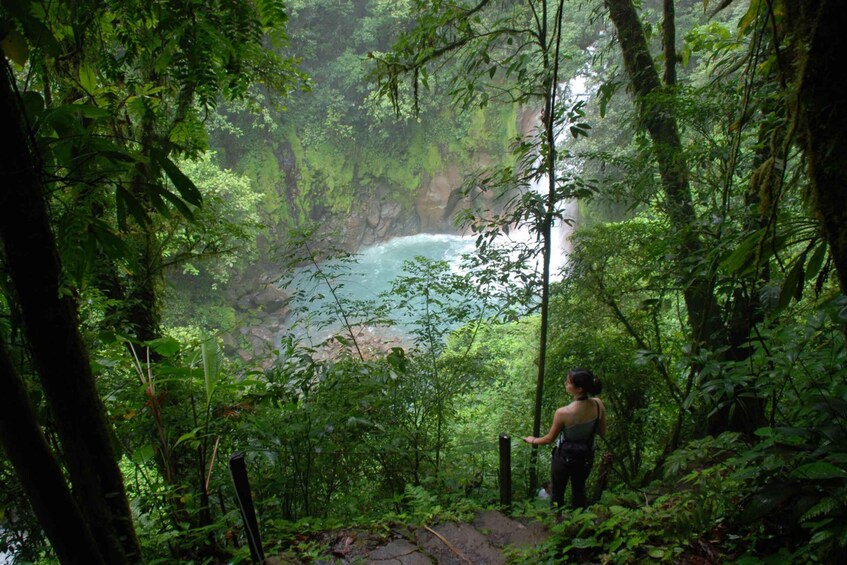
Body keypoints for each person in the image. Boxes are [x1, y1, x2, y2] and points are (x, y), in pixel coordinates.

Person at [523, 368, 607, 510]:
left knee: (557, 491)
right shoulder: (598, 404)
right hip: (586, 456)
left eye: (568, 382)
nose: (565, 384)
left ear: (579, 389)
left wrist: (532, 440)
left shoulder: (563, 412)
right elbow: (602, 432)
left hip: (564, 457)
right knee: (579, 490)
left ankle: (556, 520)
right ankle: (579, 522)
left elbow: (549, 439)